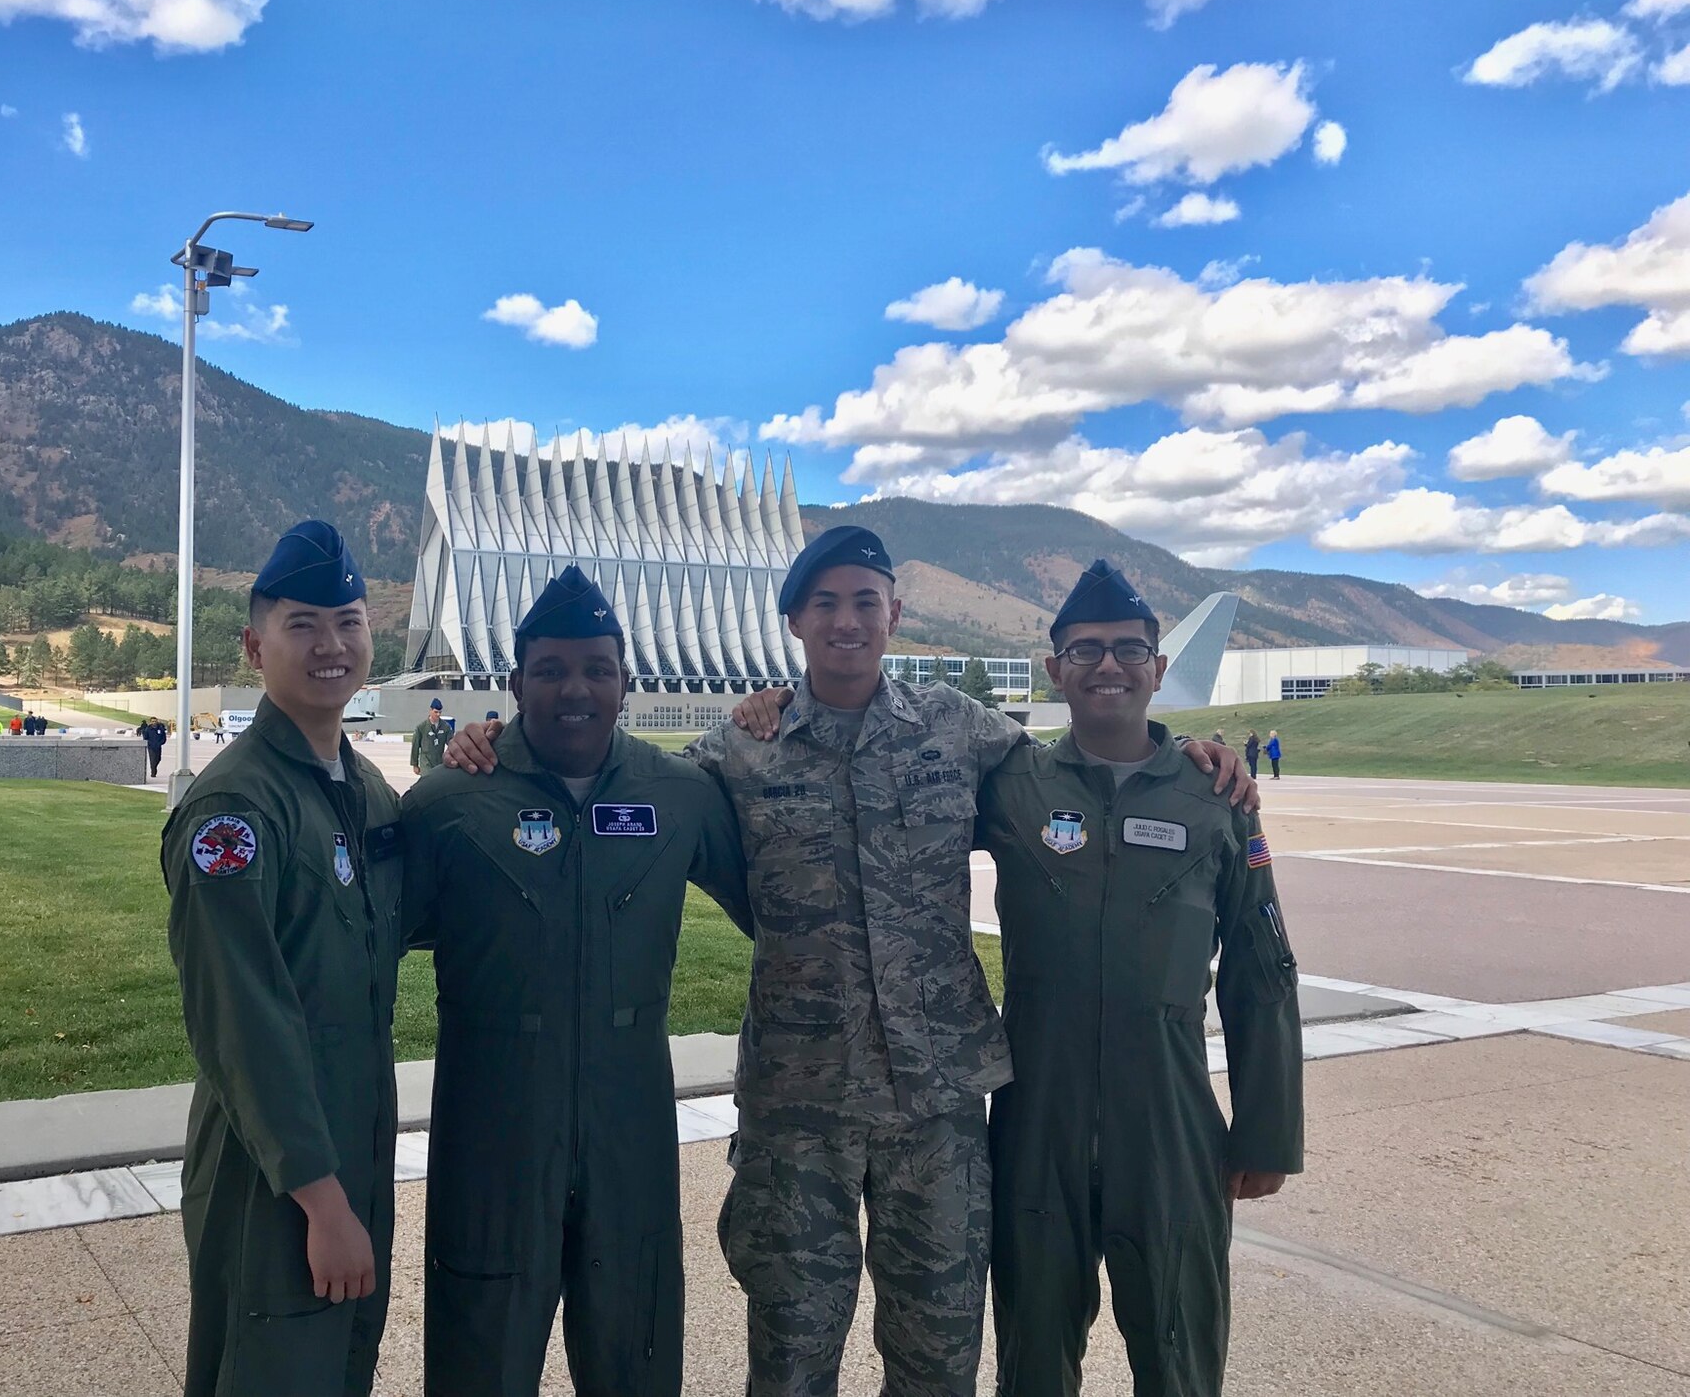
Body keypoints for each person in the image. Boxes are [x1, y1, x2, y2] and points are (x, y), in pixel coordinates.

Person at [445, 531, 1254, 1397]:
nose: (847, 619)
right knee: (792, 1363)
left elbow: (1084, 770)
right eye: (824, 602)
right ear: (794, 619)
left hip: (936, 1111)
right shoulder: (739, 749)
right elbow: (617, 776)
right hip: (799, 1116)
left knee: (938, 1364)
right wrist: (498, 741)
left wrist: (1188, 759)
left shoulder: (962, 731)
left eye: (867, 600)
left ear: (895, 615)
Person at [399, 565, 752, 1397]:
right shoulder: (451, 800)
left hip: (629, 1117)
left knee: (636, 1338)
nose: (575, 689)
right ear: (516, 682)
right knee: (480, 1344)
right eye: (551, 670)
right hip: (493, 1126)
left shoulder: (682, 794)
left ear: (626, 681)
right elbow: (367, 949)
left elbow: (781, 912)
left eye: (597, 668)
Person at [977, 559, 1303, 1397]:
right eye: (1084, 651)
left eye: (1129, 650)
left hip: (1169, 1116)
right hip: (1035, 1113)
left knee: (1181, 1346)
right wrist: (785, 704)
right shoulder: (1010, 786)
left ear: (1160, 670)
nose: (1108, 666)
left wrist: (1267, 1131)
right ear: (1055, 671)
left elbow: (1262, 970)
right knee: (1033, 1352)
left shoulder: (1215, 798)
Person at [160, 520, 404, 1397]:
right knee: (264, 1369)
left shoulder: (362, 788)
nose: (331, 645)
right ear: (255, 647)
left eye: (348, 620)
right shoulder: (236, 810)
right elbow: (241, 1019)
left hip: (353, 1146)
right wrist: (320, 1197)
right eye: (303, 625)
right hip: (274, 1172)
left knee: (336, 1368)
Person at [409, 699, 453, 776]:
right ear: (430, 710)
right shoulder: (421, 727)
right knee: (427, 780)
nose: (438, 714)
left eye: (440, 712)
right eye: (436, 712)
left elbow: (451, 744)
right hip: (426, 762)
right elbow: (415, 746)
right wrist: (415, 764)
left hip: (439, 761)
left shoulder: (445, 727)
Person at [140, 716, 169, 780]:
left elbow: (163, 737)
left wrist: (160, 743)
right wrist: (149, 743)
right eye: (152, 721)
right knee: (152, 760)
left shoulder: (160, 729)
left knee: (158, 759)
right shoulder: (148, 729)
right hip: (151, 747)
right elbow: (145, 738)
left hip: (158, 746)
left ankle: (154, 767)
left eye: (155, 721)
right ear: (150, 722)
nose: (154, 722)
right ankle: (153, 772)